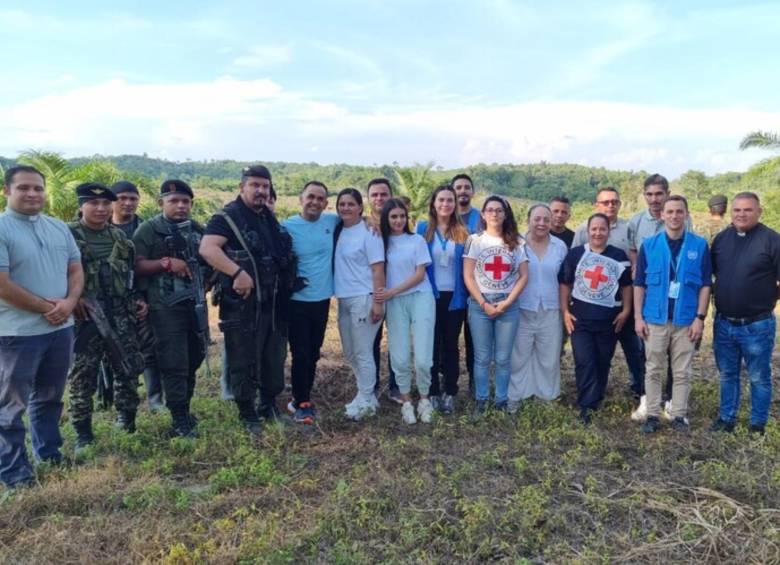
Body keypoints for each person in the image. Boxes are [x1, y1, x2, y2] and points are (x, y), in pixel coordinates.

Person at [0, 166, 84, 489]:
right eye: (24, 188)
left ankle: (50, 455)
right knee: (10, 407)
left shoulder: (59, 228)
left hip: (60, 331)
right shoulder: (3, 228)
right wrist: (49, 307)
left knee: (50, 398)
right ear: (8, 191)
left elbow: (76, 270)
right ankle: (14, 473)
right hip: (16, 335)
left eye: (38, 188)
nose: (32, 194)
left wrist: (70, 302)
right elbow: (3, 286)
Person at [200, 165, 296, 435]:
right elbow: (207, 248)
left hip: (273, 303)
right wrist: (237, 272)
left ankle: (268, 405)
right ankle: (247, 413)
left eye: (265, 186)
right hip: (242, 306)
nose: (261, 191)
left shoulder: (268, 217)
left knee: (273, 357)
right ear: (242, 187)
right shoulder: (227, 217)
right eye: (255, 185)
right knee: (243, 358)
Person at [66, 183, 146, 452]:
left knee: (128, 369)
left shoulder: (121, 240)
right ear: (81, 205)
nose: (100, 208)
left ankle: (127, 420)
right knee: (82, 376)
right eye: (93, 203)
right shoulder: (65, 236)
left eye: (105, 204)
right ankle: (83, 433)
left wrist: (138, 300)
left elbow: (130, 277)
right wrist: (71, 299)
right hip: (84, 317)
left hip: (120, 313)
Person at [133, 179, 207, 438]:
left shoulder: (196, 228)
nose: (180, 206)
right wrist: (166, 263)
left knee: (194, 356)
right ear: (161, 203)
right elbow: (137, 266)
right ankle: (179, 419)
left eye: (185, 201)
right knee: (174, 362)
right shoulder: (148, 230)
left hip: (194, 304)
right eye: (173, 201)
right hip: (164, 307)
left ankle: (184, 409)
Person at [634, 196, 711, 433]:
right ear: (662, 215)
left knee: (682, 371)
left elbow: (706, 285)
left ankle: (678, 415)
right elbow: (639, 284)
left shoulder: (699, 246)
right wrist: (638, 317)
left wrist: (700, 318)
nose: (674, 216)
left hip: (686, 320)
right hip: (655, 319)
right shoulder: (649, 245)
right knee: (653, 368)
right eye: (670, 212)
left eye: (679, 211)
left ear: (686, 214)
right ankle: (653, 415)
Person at [710, 192, 780, 435]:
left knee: (759, 377)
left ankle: (757, 424)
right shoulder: (721, 240)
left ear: (759, 211)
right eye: (737, 210)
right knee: (728, 374)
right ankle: (726, 419)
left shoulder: (772, 240)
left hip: (757, 325)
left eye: (748, 210)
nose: (741, 214)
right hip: (724, 323)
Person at [572, 188, 645, 410]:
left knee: (633, 350)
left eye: (614, 201)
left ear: (620, 204)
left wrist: (627, 309)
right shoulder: (583, 230)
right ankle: (590, 399)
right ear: (597, 205)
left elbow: (631, 265)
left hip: (621, 305)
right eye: (605, 202)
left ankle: (641, 392)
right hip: (589, 307)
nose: (610, 205)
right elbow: (574, 266)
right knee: (588, 357)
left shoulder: (628, 227)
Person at [628, 174, 692, 419]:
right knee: (651, 359)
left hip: (680, 307)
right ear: (645, 196)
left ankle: (673, 405)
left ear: (667, 194)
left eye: (659, 194)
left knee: (678, 361)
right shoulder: (636, 222)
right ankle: (649, 403)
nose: (654, 199)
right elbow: (635, 254)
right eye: (650, 194)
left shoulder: (686, 222)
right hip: (652, 301)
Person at [559, 213, 632, 424]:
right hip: (579, 319)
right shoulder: (575, 255)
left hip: (609, 321)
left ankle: (596, 397)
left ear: (608, 231)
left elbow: (627, 285)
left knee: (602, 361)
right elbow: (564, 284)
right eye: (594, 229)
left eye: (602, 229)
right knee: (584, 361)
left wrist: (626, 311)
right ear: (587, 231)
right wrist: (565, 311)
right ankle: (586, 406)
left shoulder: (619, 255)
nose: (598, 233)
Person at [463, 196, 529, 418]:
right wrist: (483, 302)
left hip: (507, 304)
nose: (494, 214)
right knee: (482, 358)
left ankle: (501, 400)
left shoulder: (517, 242)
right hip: (479, 304)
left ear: (505, 214)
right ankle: (481, 400)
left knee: (502, 358)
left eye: (499, 210)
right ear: (482, 214)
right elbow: (468, 275)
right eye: (490, 210)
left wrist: (507, 302)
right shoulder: (475, 240)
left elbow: (524, 276)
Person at [281, 181, 339, 424]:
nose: (314, 202)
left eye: (320, 199)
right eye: (310, 197)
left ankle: (304, 392)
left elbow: (357, 218)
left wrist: (371, 222)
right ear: (300, 199)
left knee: (313, 352)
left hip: (322, 300)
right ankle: (300, 400)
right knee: (301, 352)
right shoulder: (286, 227)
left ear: (326, 203)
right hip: (297, 302)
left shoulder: (331, 221)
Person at [380, 198, 436, 424]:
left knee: (422, 358)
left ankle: (424, 399)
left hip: (420, 297)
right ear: (386, 218)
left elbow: (419, 274)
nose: (398, 221)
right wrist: (389, 296)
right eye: (393, 216)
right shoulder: (380, 242)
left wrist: (392, 291)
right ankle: (406, 401)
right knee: (400, 356)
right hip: (394, 304)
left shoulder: (417, 240)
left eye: (402, 216)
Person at [110, 180, 163, 412]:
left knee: (149, 349)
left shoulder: (145, 228)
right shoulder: (101, 229)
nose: (128, 203)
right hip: (107, 301)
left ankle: (154, 399)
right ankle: (109, 397)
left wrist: (142, 298)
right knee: (111, 352)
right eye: (122, 198)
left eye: (133, 198)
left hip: (143, 300)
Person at [415, 185, 469, 415]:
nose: (445, 204)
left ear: (455, 204)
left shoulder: (463, 232)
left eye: (450, 200)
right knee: (431, 345)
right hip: (429, 294)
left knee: (450, 346)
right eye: (441, 200)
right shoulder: (422, 229)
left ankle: (450, 391)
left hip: (455, 297)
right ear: (433, 203)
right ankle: (433, 391)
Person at [333, 188, 385, 420]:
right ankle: (365, 393)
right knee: (350, 352)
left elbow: (378, 269)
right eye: (342, 204)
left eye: (350, 204)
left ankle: (366, 399)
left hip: (364, 297)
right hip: (343, 298)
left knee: (363, 352)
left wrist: (377, 302)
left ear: (360, 207)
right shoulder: (337, 229)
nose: (346, 208)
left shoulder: (369, 232)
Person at [508, 204, 567, 408]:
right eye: (537, 219)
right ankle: (515, 396)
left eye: (546, 220)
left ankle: (546, 397)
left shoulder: (560, 247)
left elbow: (564, 280)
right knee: (519, 355)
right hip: (522, 307)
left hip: (551, 308)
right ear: (528, 220)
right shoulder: (516, 244)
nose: (541, 223)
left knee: (548, 356)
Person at [366, 178, 400, 403]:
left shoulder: (399, 224)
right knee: (371, 341)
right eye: (375, 194)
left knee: (397, 340)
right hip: (371, 292)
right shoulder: (363, 225)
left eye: (384, 194)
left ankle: (397, 386)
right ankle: (371, 386)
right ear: (368, 199)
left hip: (397, 292)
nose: (379, 198)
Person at [452, 173, 481, 393]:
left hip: (477, 291)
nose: (462, 191)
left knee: (475, 341)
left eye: (466, 187)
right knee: (448, 340)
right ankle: (448, 383)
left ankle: (474, 382)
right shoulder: (444, 217)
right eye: (458, 187)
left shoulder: (481, 218)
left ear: (472, 191)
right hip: (450, 292)